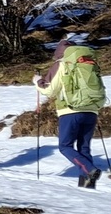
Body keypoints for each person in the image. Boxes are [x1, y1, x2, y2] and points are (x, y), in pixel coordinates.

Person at [34, 37, 105, 187]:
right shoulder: (87, 62)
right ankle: (87, 186)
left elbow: (49, 90)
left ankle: (90, 170)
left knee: (65, 146)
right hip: (91, 110)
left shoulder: (62, 64)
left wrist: (37, 82)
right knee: (84, 148)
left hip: (70, 110)